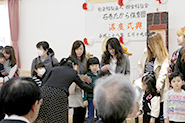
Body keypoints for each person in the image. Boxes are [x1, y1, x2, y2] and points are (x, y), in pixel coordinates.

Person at [35, 56, 93, 123]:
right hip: (59, 94)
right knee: (59, 118)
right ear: (73, 64)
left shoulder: (54, 69)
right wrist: (93, 90)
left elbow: (43, 81)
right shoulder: (73, 72)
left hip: (44, 92)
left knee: (43, 117)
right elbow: (82, 85)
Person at [138, 31, 169, 122]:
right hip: (147, 89)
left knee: (156, 115)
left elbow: (163, 73)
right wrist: (142, 77)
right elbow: (140, 65)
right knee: (146, 113)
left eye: (150, 44)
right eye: (147, 44)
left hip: (157, 91)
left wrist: (158, 85)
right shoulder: (146, 53)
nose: (149, 46)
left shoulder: (163, 57)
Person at [69, 40, 91, 123]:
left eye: (81, 49)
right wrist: (84, 77)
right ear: (74, 50)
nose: (79, 51)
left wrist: (84, 77)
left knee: (83, 110)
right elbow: (73, 75)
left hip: (84, 88)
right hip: (75, 88)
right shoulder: (70, 60)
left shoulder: (86, 59)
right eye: (77, 49)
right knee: (76, 110)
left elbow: (89, 73)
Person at [83, 57, 100, 123]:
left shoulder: (100, 75)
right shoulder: (87, 76)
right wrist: (85, 99)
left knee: (100, 116)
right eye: (92, 65)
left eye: (96, 65)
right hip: (90, 99)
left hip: (99, 99)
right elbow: (85, 89)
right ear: (89, 67)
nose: (94, 67)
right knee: (91, 117)